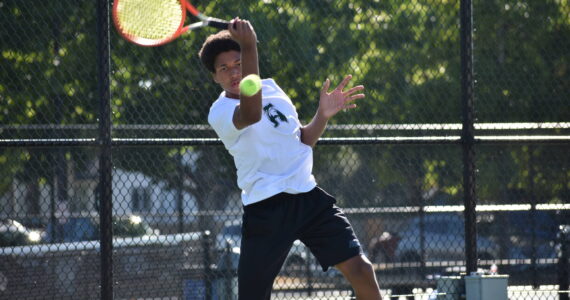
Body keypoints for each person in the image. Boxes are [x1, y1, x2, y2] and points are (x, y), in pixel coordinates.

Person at [199, 17, 382, 300]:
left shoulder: (273, 88)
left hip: (308, 199)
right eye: (224, 68)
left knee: (361, 270)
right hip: (266, 209)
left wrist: (323, 115)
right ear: (215, 77)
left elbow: (303, 140)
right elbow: (251, 112)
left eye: (238, 63)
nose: (234, 72)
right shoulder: (219, 112)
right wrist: (249, 48)